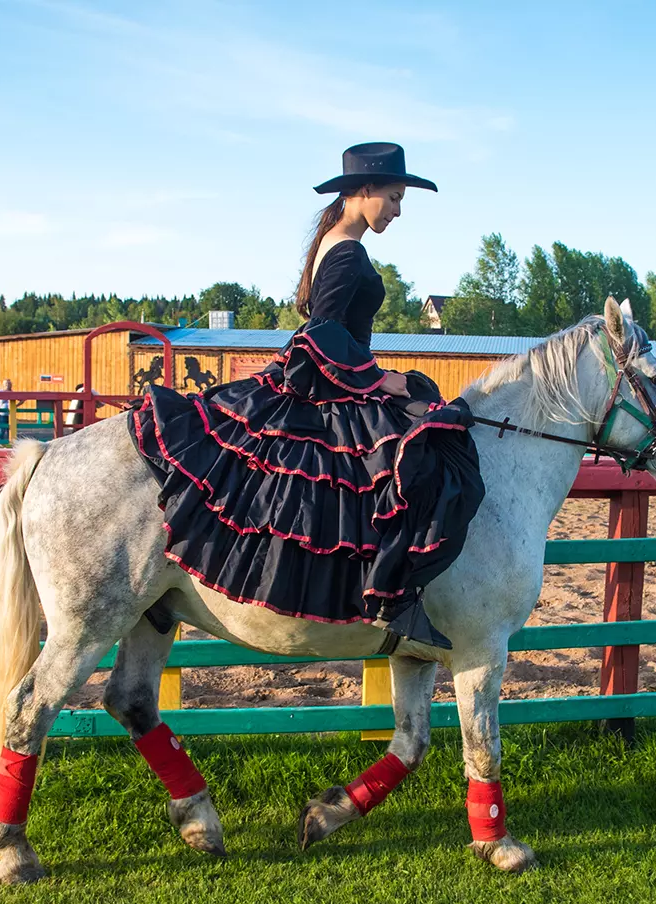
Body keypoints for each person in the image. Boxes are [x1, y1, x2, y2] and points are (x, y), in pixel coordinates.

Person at [132, 142, 483, 649]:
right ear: (363, 192)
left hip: (342, 375)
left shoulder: (337, 242)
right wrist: (377, 379)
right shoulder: (346, 249)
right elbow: (320, 334)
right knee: (414, 465)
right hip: (339, 380)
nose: (398, 210)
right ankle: (392, 597)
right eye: (393, 197)